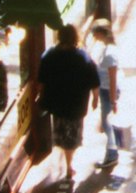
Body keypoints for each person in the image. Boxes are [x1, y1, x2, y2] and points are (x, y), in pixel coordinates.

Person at [36, 24, 99, 181]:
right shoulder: (83, 57)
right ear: (75, 37)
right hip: (77, 103)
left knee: (62, 130)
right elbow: (94, 80)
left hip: (57, 102)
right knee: (72, 135)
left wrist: (41, 96)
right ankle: (69, 165)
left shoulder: (49, 55)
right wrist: (95, 98)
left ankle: (67, 159)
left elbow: (41, 81)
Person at [91, 18, 120, 169]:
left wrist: (113, 100)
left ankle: (112, 153)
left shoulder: (109, 53)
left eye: (94, 32)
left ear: (101, 33)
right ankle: (111, 151)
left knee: (107, 123)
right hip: (106, 90)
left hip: (108, 91)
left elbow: (113, 78)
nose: (93, 35)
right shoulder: (107, 49)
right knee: (106, 122)